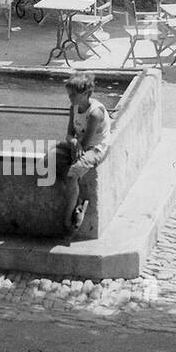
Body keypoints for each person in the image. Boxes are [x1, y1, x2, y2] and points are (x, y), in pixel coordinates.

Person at [59, 72, 112, 239]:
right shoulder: (73, 108)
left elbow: (87, 142)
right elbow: (69, 135)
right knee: (50, 159)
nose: (70, 98)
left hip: (95, 148)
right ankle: (78, 201)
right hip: (79, 144)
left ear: (86, 94)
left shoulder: (95, 113)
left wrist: (75, 145)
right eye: (69, 95)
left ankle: (67, 221)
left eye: (73, 95)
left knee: (72, 174)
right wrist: (72, 142)